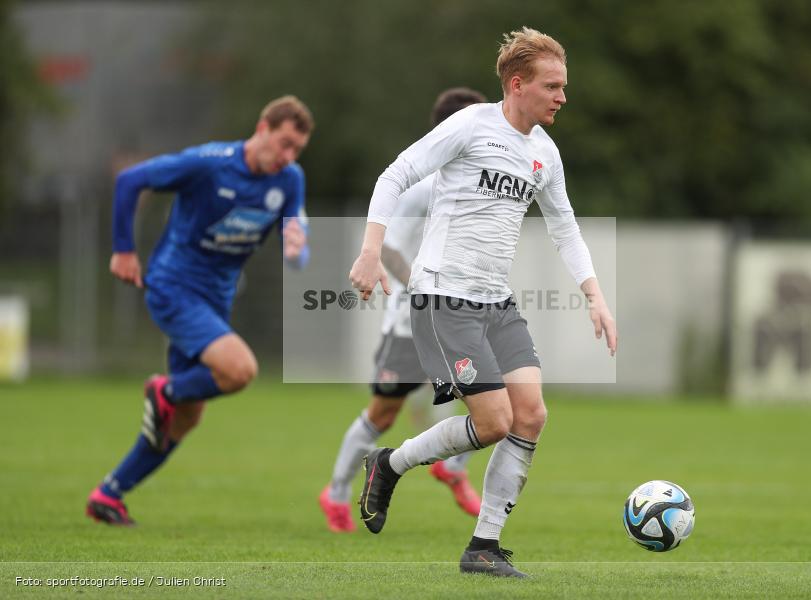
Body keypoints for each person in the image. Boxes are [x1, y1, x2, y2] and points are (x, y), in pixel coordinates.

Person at [349, 28, 617, 577]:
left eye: (564, 86)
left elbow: (565, 227)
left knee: (531, 415)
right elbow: (394, 174)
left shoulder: (545, 152)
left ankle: (483, 548)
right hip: (443, 296)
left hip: (496, 302)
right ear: (518, 85)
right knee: (494, 421)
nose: (563, 96)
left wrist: (596, 296)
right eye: (553, 85)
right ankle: (389, 464)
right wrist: (371, 251)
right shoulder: (471, 126)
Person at [86, 95, 314, 525]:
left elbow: (296, 241)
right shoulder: (210, 163)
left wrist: (298, 245)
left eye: (297, 150)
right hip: (174, 286)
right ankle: (165, 390)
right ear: (263, 127)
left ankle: (108, 494)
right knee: (240, 369)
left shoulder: (289, 180)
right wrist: (122, 249)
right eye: (284, 143)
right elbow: (131, 180)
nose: (288, 156)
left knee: (186, 418)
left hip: (215, 300)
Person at [319, 88, 488, 533]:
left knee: (502, 396)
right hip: (409, 322)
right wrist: (424, 285)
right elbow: (388, 249)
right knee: (383, 414)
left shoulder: (474, 185)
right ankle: (336, 493)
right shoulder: (422, 188)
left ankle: (451, 468)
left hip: (456, 317)